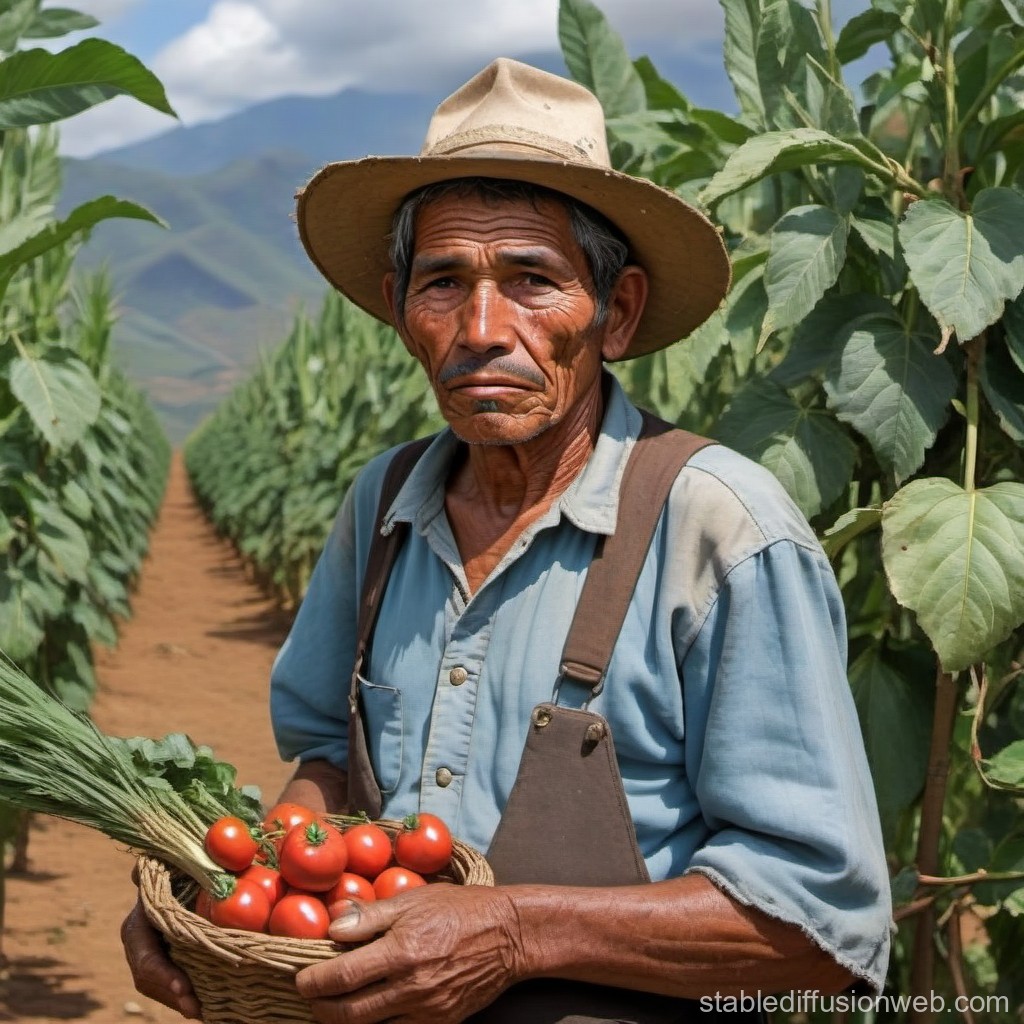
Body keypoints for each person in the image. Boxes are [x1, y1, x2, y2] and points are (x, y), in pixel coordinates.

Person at [122, 58, 892, 1023]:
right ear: (403, 315)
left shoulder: (721, 531)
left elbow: (824, 923)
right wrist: (241, 889)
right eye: (443, 282)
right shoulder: (386, 502)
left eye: (532, 280)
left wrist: (516, 931)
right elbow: (328, 754)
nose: (481, 329)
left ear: (616, 313)